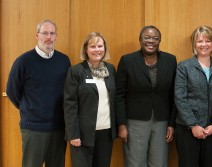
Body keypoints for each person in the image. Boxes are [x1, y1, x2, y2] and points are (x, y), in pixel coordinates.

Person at [6, 20, 70, 167]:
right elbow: (12, 91)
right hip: (34, 128)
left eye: (52, 33)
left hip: (59, 127)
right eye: (45, 33)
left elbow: (68, 92)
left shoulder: (64, 60)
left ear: (56, 36)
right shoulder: (23, 61)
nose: (49, 37)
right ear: (37, 35)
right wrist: (30, 108)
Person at [116, 25, 177, 167]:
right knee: (135, 163)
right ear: (140, 40)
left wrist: (171, 124)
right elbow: (119, 95)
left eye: (155, 38)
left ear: (160, 40)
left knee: (159, 162)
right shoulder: (127, 60)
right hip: (135, 121)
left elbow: (174, 94)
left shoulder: (170, 60)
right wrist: (121, 124)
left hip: (161, 121)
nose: (151, 41)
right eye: (147, 37)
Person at [174, 25, 212, 167]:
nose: (204, 45)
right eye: (200, 41)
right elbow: (180, 98)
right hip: (187, 129)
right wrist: (193, 125)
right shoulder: (184, 67)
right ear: (194, 44)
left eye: (208, 41)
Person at [64, 32, 116, 167]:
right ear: (86, 49)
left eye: (100, 46)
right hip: (82, 134)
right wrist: (73, 134)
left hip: (106, 132)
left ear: (105, 48)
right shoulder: (76, 71)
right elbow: (70, 104)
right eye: (93, 46)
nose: (97, 50)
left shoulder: (110, 69)